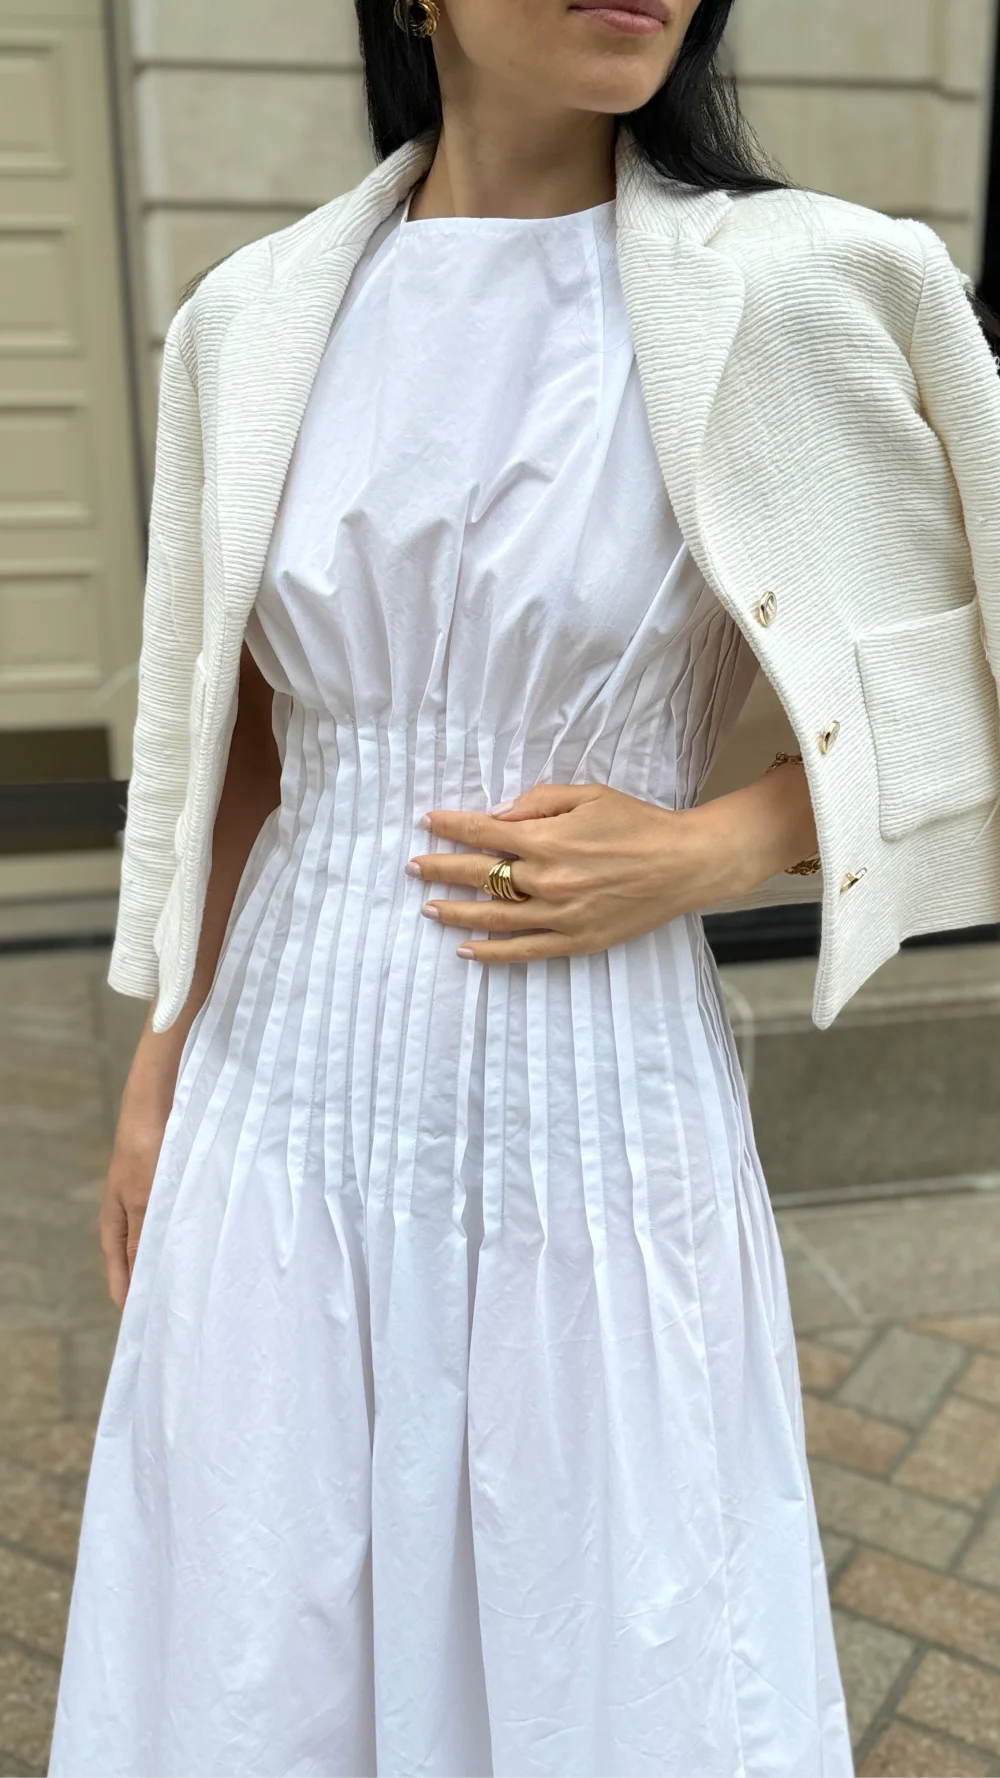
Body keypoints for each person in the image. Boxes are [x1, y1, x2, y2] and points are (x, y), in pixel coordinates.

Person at [49, 1, 1000, 1773]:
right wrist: (157, 1069)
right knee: (263, 1613)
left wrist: (717, 846)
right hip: (277, 1098)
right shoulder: (253, 317)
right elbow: (234, 741)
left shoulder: (799, 287)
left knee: (604, 1615)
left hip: (592, 1104)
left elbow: (966, 682)